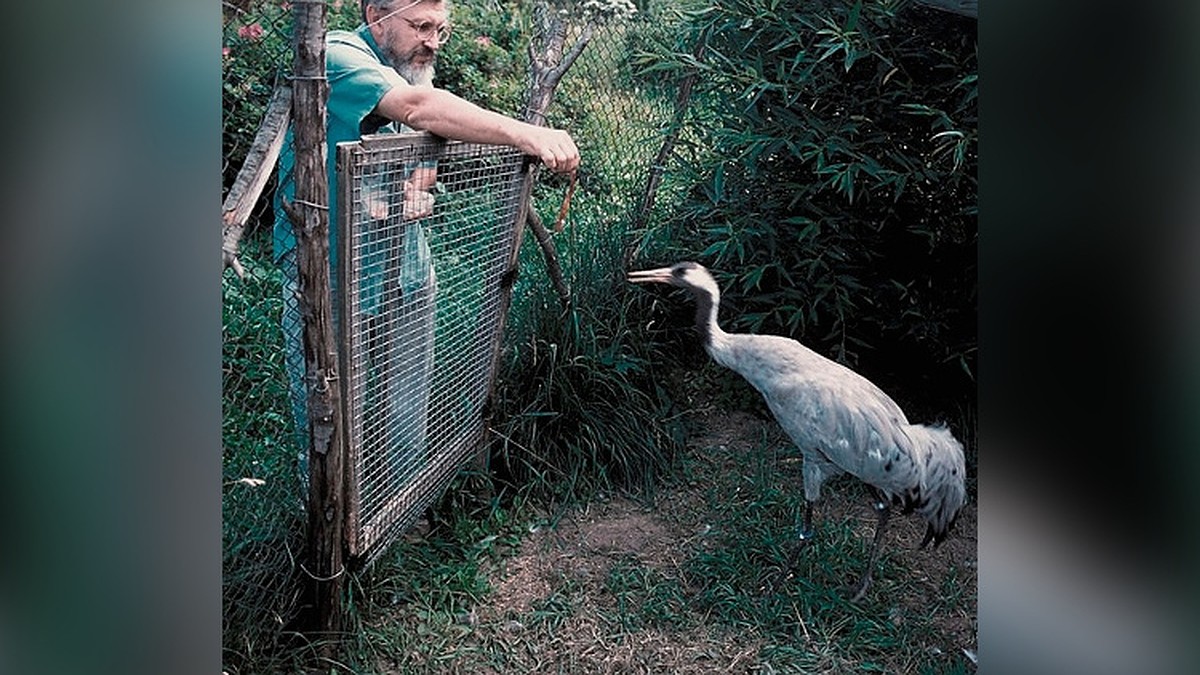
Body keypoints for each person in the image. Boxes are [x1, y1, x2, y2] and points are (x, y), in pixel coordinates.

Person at [273, 0, 580, 487]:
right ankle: (326, 518)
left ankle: (396, 506)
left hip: (404, 263)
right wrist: (524, 133)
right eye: (421, 26)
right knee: (329, 405)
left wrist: (416, 189)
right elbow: (418, 111)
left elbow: (427, 152)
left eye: (442, 29)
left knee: (406, 398)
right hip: (328, 267)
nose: (433, 41)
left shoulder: (411, 68)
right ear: (376, 12)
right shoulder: (336, 54)